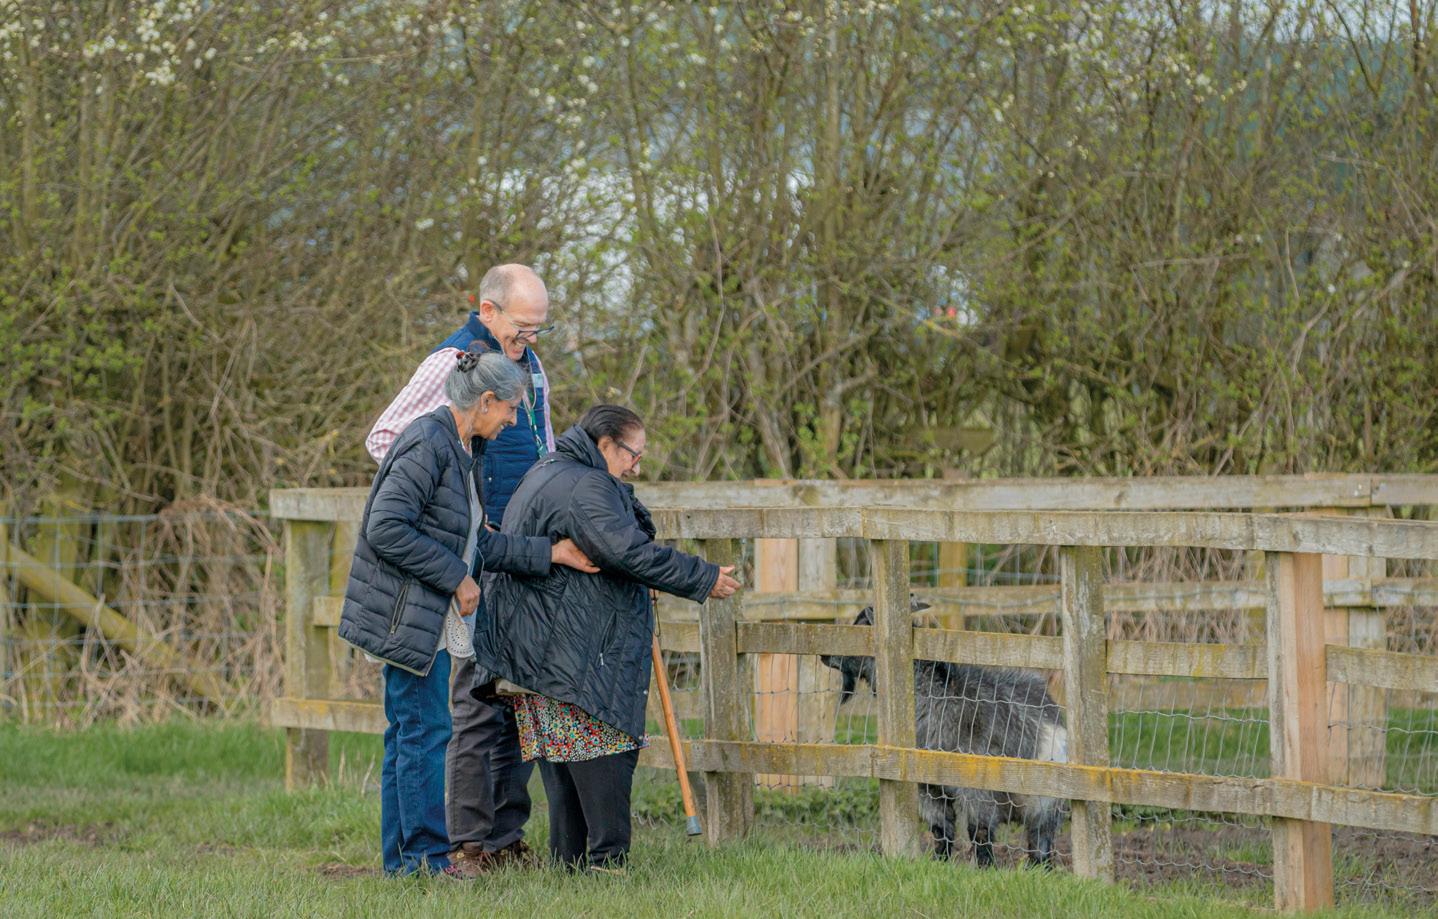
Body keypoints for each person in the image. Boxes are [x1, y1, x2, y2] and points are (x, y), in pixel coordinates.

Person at [338, 343, 597, 878]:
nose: (511, 422)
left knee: (410, 735)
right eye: (510, 409)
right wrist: (455, 577)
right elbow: (385, 527)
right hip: (407, 617)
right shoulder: (427, 443)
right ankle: (427, 862)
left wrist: (551, 553)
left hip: (420, 613)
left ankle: (405, 864)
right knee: (425, 733)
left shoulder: (460, 449)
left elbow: (478, 541)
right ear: (485, 401)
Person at [472, 404, 742, 873]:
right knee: (603, 752)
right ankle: (608, 864)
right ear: (604, 445)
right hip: (573, 651)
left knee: (564, 759)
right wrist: (703, 576)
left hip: (540, 648)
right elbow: (627, 551)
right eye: (633, 455)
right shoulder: (587, 485)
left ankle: (570, 865)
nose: (636, 467)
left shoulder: (549, 470)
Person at [365, 264, 556, 872]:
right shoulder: (444, 388)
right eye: (523, 326)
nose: (530, 339)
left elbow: (541, 450)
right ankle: (434, 853)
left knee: (457, 713)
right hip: (431, 578)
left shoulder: (524, 374)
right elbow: (387, 458)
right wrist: (454, 530)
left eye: (539, 329)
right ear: (488, 310)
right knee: (432, 721)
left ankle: (432, 853)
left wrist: (545, 539)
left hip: (479, 559)